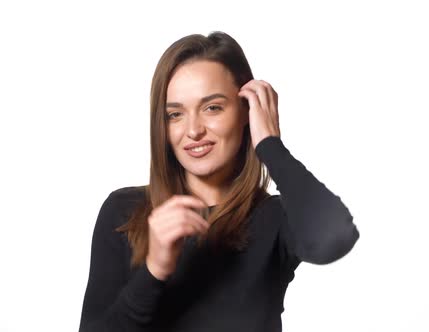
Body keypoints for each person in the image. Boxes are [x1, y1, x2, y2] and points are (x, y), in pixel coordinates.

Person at [78, 31, 360, 332]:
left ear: (245, 112)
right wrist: (154, 270)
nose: (194, 130)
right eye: (175, 114)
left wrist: (269, 145)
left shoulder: (275, 218)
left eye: (212, 107)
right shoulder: (125, 211)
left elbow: (334, 237)